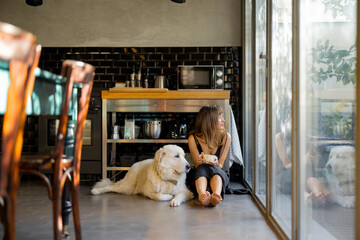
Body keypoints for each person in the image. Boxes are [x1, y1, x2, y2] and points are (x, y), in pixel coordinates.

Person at [275, 114, 330, 207]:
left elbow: (311, 161)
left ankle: (318, 195)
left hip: (306, 172)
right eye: (289, 118)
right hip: (286, 173)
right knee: (296, 172)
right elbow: (286, 164)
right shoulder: (279, 137)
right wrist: (303, 160)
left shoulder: (307, 137)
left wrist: (314, 157)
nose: (290, 121)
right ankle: (305, 196)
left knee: (310, 176)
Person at [187, 105, 231, 207]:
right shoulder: (193, 138)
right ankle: (202, 195)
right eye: (219, 117)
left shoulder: (226, 137)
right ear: (210, 121)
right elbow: (197, 166)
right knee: (202, 169)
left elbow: (220, 165)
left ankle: (216, 195)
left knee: (216, 171)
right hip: (200, 176)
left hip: (218, 173)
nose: (223, 120)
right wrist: (200, 160)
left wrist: (215, 162)